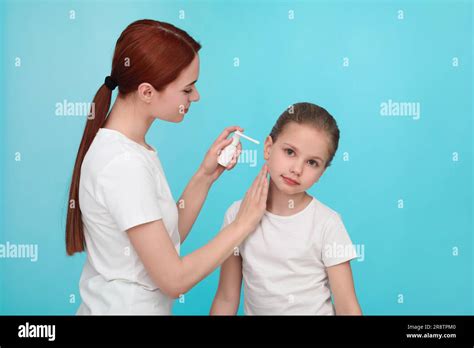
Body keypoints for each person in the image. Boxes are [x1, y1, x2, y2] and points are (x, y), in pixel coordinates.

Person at [65, 19, 269, 315]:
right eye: (188, 89)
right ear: (147, 92)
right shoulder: (123, 164)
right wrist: (243, 225)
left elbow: (165, 242)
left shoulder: (133, 149)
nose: (195, 97)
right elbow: (174, 279)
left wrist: (205, 175)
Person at [210, 102, 362, 315]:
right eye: (290, 152)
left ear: (322, 173)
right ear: (268, 148)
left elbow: (348, 307)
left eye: (312, 163)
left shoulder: (328, 224)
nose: (297, 169)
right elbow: (226, 298)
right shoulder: (236, 215)